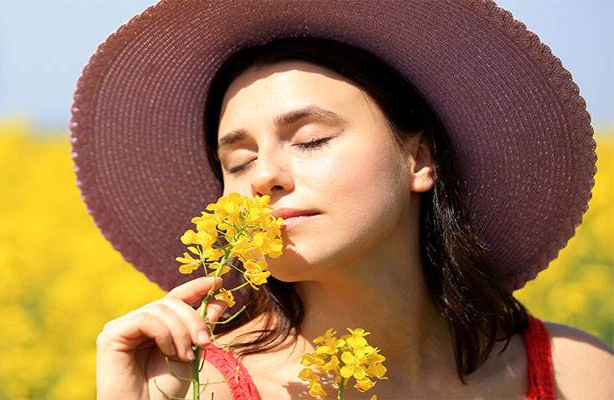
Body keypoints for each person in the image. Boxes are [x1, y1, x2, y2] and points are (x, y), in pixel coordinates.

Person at [69, 1, 613, 399]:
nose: (264, 178)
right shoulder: (191, 385)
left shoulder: (581, 376)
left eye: (310, 140)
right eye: (237, 162)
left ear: (419, 159)